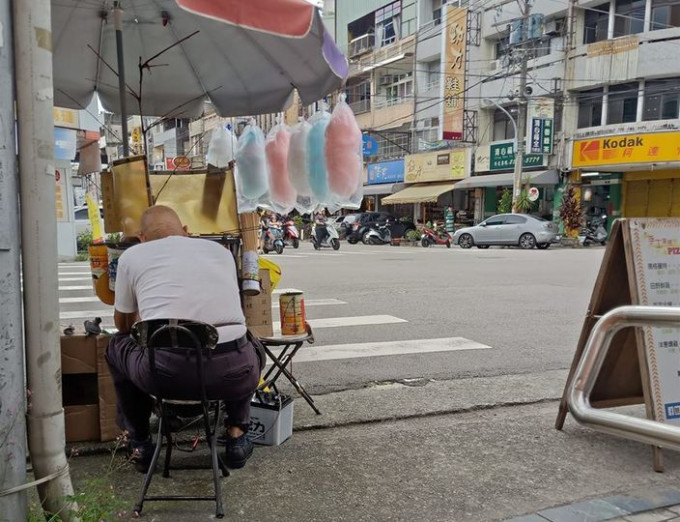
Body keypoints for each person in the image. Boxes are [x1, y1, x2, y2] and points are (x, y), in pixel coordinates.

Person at [106, 205, 262, 472]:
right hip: (236, 373)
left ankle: (140, 442)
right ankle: (236, 434)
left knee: (116, 346)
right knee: (248, 343)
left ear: (142, 238)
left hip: (166, 376)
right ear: (186, 232)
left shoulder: (132, 256)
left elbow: (122, 326)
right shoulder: (220, 252)